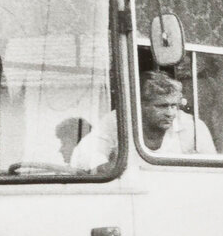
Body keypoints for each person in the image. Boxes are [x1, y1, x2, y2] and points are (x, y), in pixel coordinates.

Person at [69, 65, 214, 170]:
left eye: (174, 106)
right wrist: (107, 166)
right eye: (161, 106)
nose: (170, 113)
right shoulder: (118, 120)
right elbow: (84, 156)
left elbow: (211, 169)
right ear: (140, 106)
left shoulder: (192, 126)